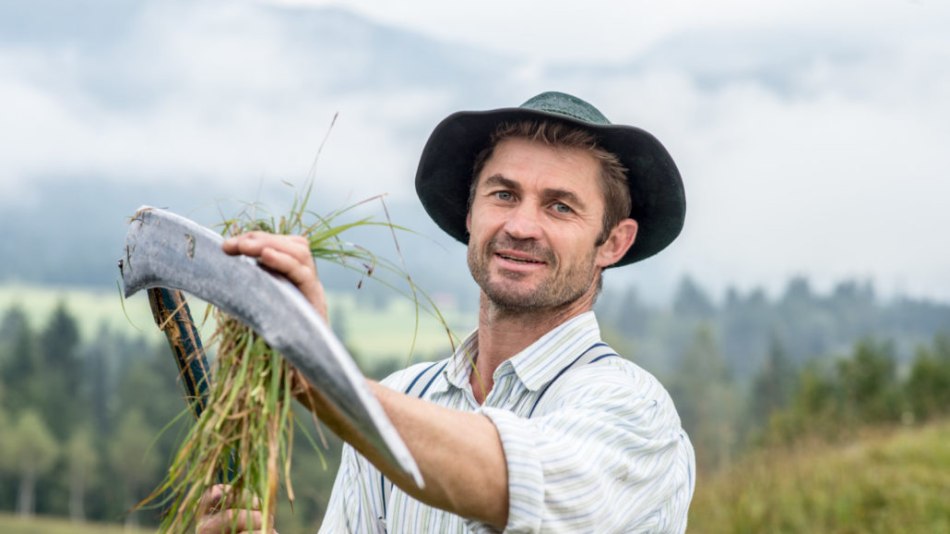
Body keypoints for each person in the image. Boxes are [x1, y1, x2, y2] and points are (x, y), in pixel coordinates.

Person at [206, 91, 695, 533]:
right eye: (503, 195)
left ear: (613, 242)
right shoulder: (401, 396)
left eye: (560, 207)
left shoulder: (634, 410)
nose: (522, 225)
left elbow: (516, 481)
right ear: (470, 213)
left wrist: (321, 372)